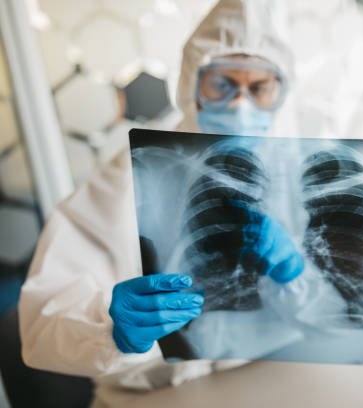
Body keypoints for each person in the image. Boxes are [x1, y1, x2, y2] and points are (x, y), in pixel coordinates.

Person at [17, 0, 298, 397]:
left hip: (273, 382)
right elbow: (42, 326)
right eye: (221, 83)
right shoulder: (120, 184)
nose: (240, 104)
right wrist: (111, 330)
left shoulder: (300, 174)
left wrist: (298, 275)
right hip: (149, 394)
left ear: (281, 91)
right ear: (190, 84)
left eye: (258, 87)